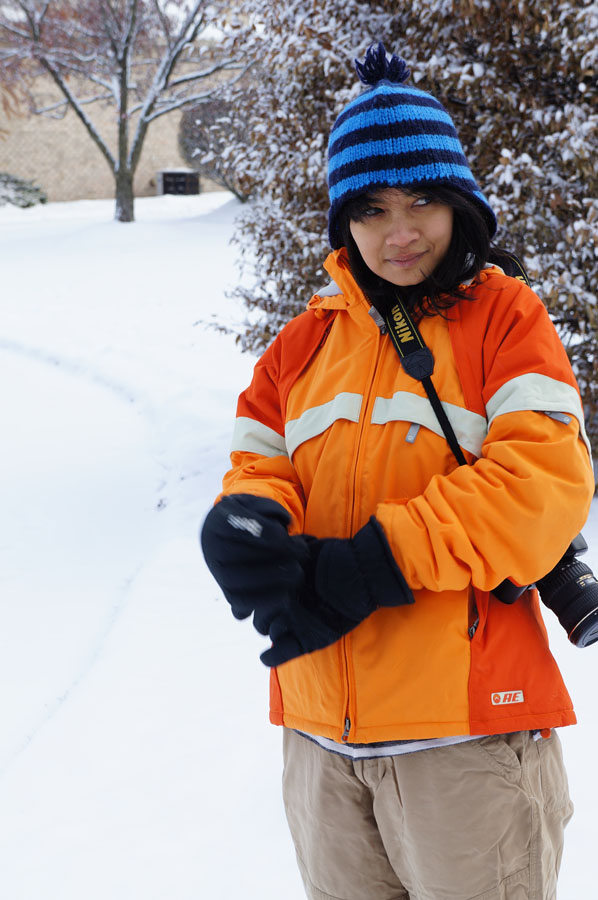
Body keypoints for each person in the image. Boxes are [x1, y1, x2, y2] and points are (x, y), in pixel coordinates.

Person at [200, 43, 595, 900]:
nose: (400, 231)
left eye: (422, 200)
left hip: (466, 744)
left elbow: (541, 486)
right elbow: (258, 468)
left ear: (460, 202)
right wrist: (243, 524)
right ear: (344, 220)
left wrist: (376, 561)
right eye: (372, 208)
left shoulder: (505, 319)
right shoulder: (301, 345)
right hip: (320, 741)